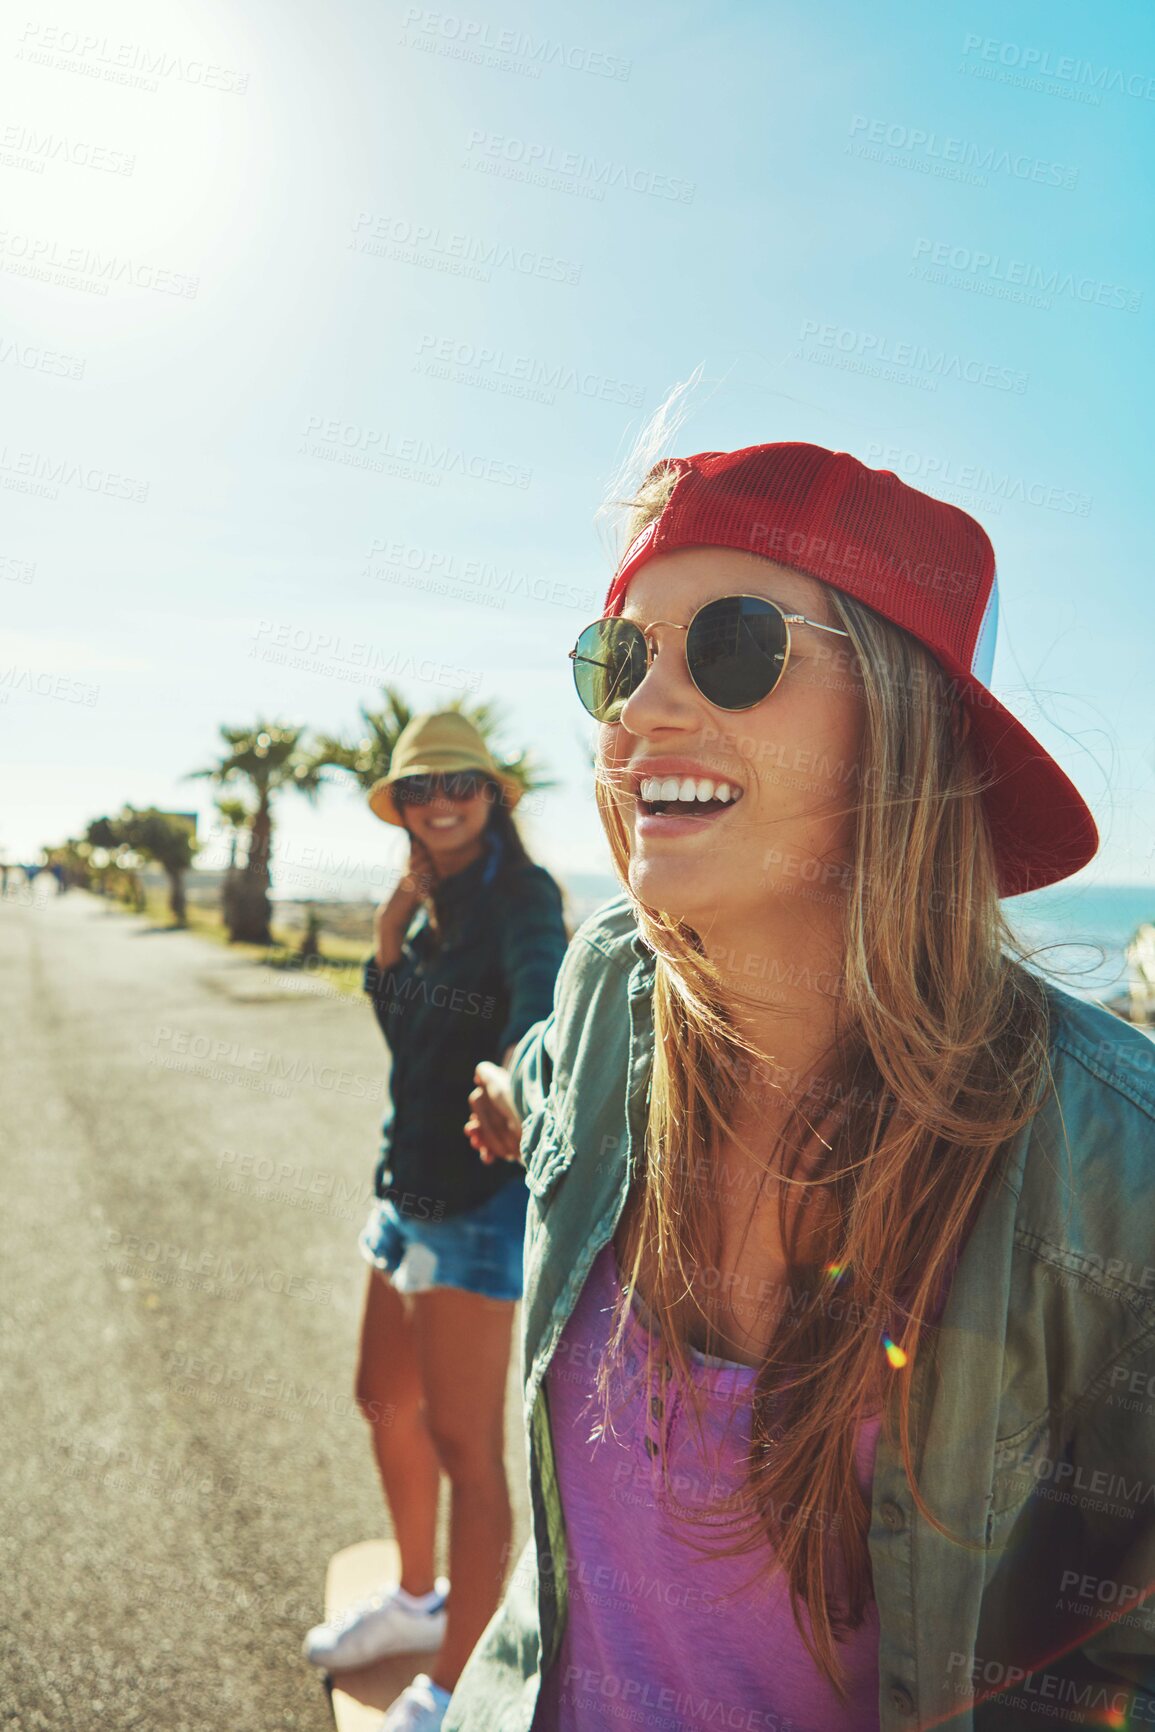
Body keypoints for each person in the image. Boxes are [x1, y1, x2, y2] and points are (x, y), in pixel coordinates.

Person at [453, 440, 1155, 1730]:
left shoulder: (1118, 1162)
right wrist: (515, 1101)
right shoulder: (608, 989)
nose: (640, 709)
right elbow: (558, 1095)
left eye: (732, 645)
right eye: (620, 656)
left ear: (906, 726)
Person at [302, 710, 569, 1732]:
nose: (442, 800)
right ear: (402, 807)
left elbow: (541, 999)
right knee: (382, 1397)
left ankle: (461, 1686)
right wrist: (383, 940)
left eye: (462, 782)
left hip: (476, 1208)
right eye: (421, 787)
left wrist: (513, 1070)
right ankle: (418, 1602)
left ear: (491, 795)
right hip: (401, 1186)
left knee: (468, 1447)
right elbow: (406, 1031)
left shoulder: (520, 896)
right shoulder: (427, 904)